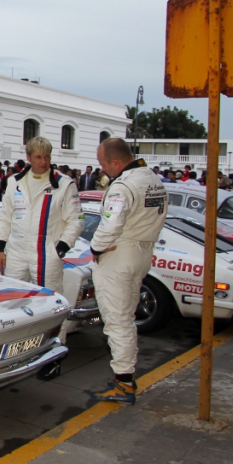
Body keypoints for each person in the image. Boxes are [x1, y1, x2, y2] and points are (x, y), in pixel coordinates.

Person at [87, 139, 168, 404]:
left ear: (116, 162)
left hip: (119, 256)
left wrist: (96, 248)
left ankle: (123, 383)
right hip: (143, 252)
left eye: (103, 164)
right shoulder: (152, 179)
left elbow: (111, 225)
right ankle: (126, 374)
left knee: (117, 320)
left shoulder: (122, 186)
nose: (103, 170)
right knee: (127, 316)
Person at [0, 136, 82, 309]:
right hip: (17, 251)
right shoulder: (14, 182)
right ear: (29, 157)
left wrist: (62, 247)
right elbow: (5, 216)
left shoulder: (64, 184)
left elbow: (77, 220)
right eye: (39, 157)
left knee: (51, 304)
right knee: (10, 301)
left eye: (47, 157)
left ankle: (57, 337)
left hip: (46, 252)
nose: (44, 161)